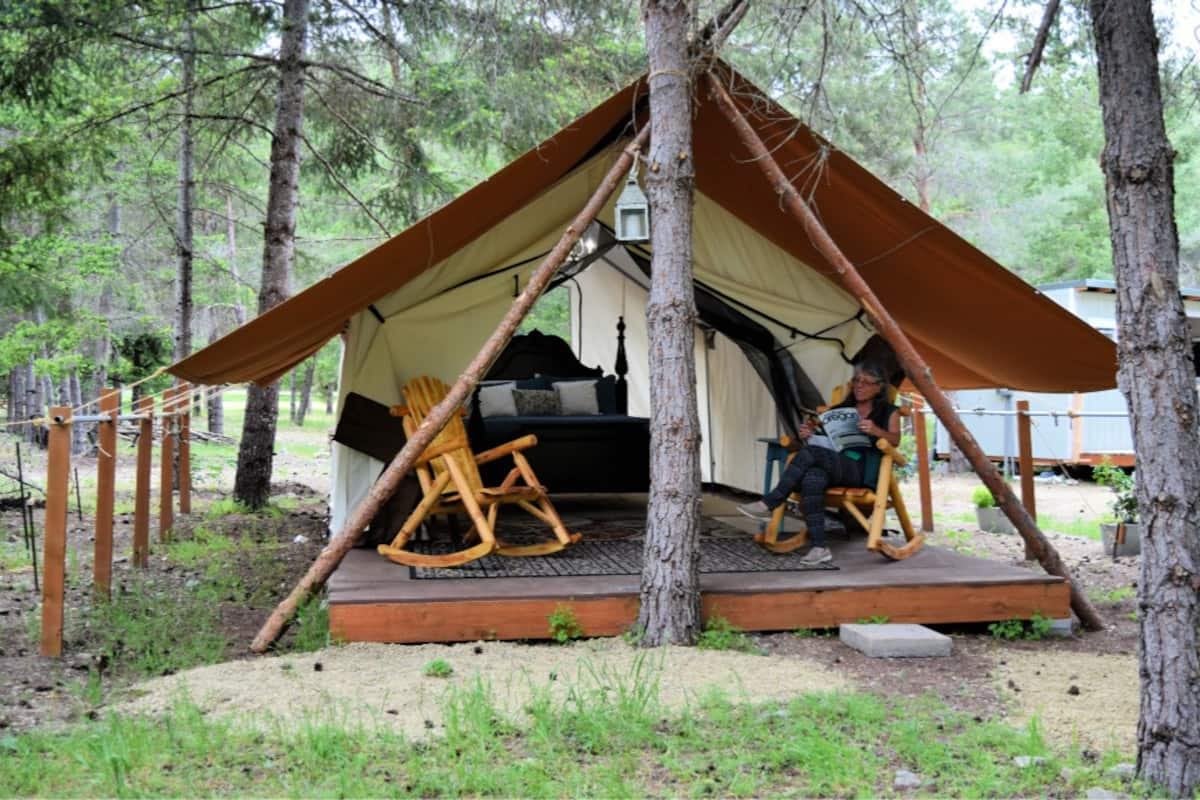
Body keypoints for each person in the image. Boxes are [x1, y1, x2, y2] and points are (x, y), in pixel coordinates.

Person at [738, 363, 901, 566]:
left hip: (861, 467)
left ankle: (771, 501)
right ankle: (819, 547)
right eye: (857, 381)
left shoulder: (888, 412)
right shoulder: (840, 411)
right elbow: (824, 442)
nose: (859, 386)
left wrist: (876, 430)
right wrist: (810, 435)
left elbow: (895, 440)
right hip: (833, 463)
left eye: (866, 383)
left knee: (811, 454)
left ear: (879, 387)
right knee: (812, 478)